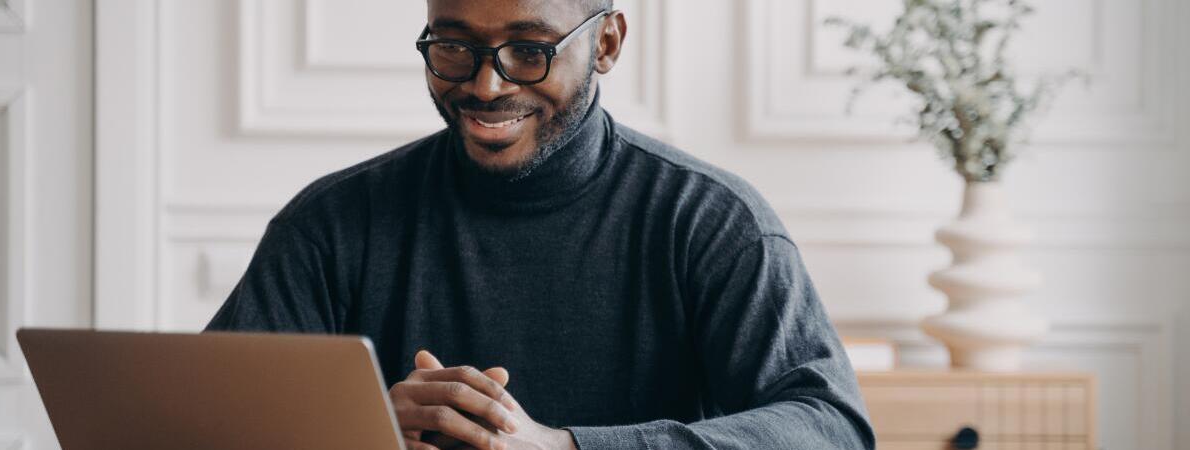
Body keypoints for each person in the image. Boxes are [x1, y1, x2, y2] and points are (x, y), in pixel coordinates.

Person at [205, 1, 875, 449]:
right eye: (454, 47)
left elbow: (831, 429)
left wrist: (564, 448)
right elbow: (205, 422)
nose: (486, 86)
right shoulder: (330, 223)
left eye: (529, 50)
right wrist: (364, 431)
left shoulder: (710, 220)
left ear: (606, 42)